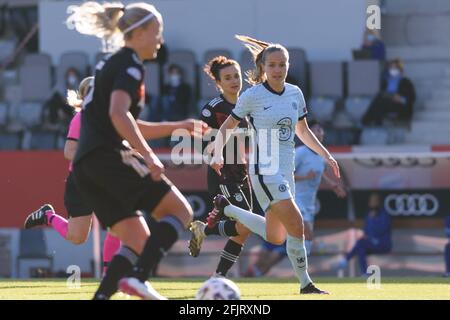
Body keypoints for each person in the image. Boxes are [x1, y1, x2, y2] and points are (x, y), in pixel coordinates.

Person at [66, 1, 207, 300]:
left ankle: (103, 296)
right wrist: (148, 154)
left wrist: (176, 125)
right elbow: (119, 116)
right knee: (181, 211)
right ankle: (140, 279)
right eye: (157, 32)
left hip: (86, 167)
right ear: (139, 33)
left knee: (137, 238)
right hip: (109, 158)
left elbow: (123, 120)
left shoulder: (109, 63)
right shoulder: (129, 65)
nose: (161, 40)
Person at [209, 35, 341, 294]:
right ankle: (306, 284)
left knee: (276, 236)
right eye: (273, 65)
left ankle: (229, 210)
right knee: (297, 223)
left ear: (288, 66)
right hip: (264, 168)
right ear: (263, 68)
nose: (278, 70)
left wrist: (326, 154)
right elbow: (230, 124)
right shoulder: (252, 96)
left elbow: (302, 131)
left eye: (282, 64)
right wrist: (217, 152)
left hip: (285, 169)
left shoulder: (295, 93)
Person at [23, 76, 122, 276]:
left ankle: (109, 276)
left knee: (118, 224)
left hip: (105, 179)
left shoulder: (111, 117)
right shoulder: (82, 118)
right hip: (82, 181)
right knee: (77, 237)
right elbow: (69, 151)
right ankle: (48, 216)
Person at [245, 121, 346, 277]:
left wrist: (333, 185)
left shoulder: (321, 154)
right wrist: (305, 177)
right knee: (308, 235)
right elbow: (286, 174)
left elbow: (321, 173)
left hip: (309, 204)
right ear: (309, 134)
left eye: (321, 130)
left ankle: (255, 272)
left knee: (278, 246)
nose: (320, 132)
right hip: (295, 199)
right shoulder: (300, 153)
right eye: (316, 130)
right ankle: (303, 274)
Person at [188, 56, 255, 277]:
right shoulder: (212, 109)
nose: (234, 80)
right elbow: (200, 142)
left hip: (241, 172)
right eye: (227, 78)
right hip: (222, 173)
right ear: (218, 83)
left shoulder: (247, 105)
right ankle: (204, 230)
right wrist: (212, 157)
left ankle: (218, 276)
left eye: (236, 75)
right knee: (246, 224)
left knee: (243, 230)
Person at [336, 192, 392, 276]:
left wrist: (372, 221)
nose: (372, 203)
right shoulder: (368, 214)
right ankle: (364, 273)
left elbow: (381, 230)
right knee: (360, 247)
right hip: (371, 244)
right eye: (371, 201)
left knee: (361, 243)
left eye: (374, 201)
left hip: (383, 244)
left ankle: (347, 260)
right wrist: (367, 237)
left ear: (379, 202)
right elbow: (366, 231)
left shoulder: (384, 215)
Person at [362, 58, 416, 126]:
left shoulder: (405, 82)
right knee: (380, 100)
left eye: (394, 68)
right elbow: (382, 92)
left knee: (379, 100)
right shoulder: (386, 82)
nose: (392, 70)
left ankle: (366, 121)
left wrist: (400, 99)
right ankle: (373, 123)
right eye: (391, 68)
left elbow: (412, 98)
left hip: (399, 104)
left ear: (400, 69)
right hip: (386, 101)